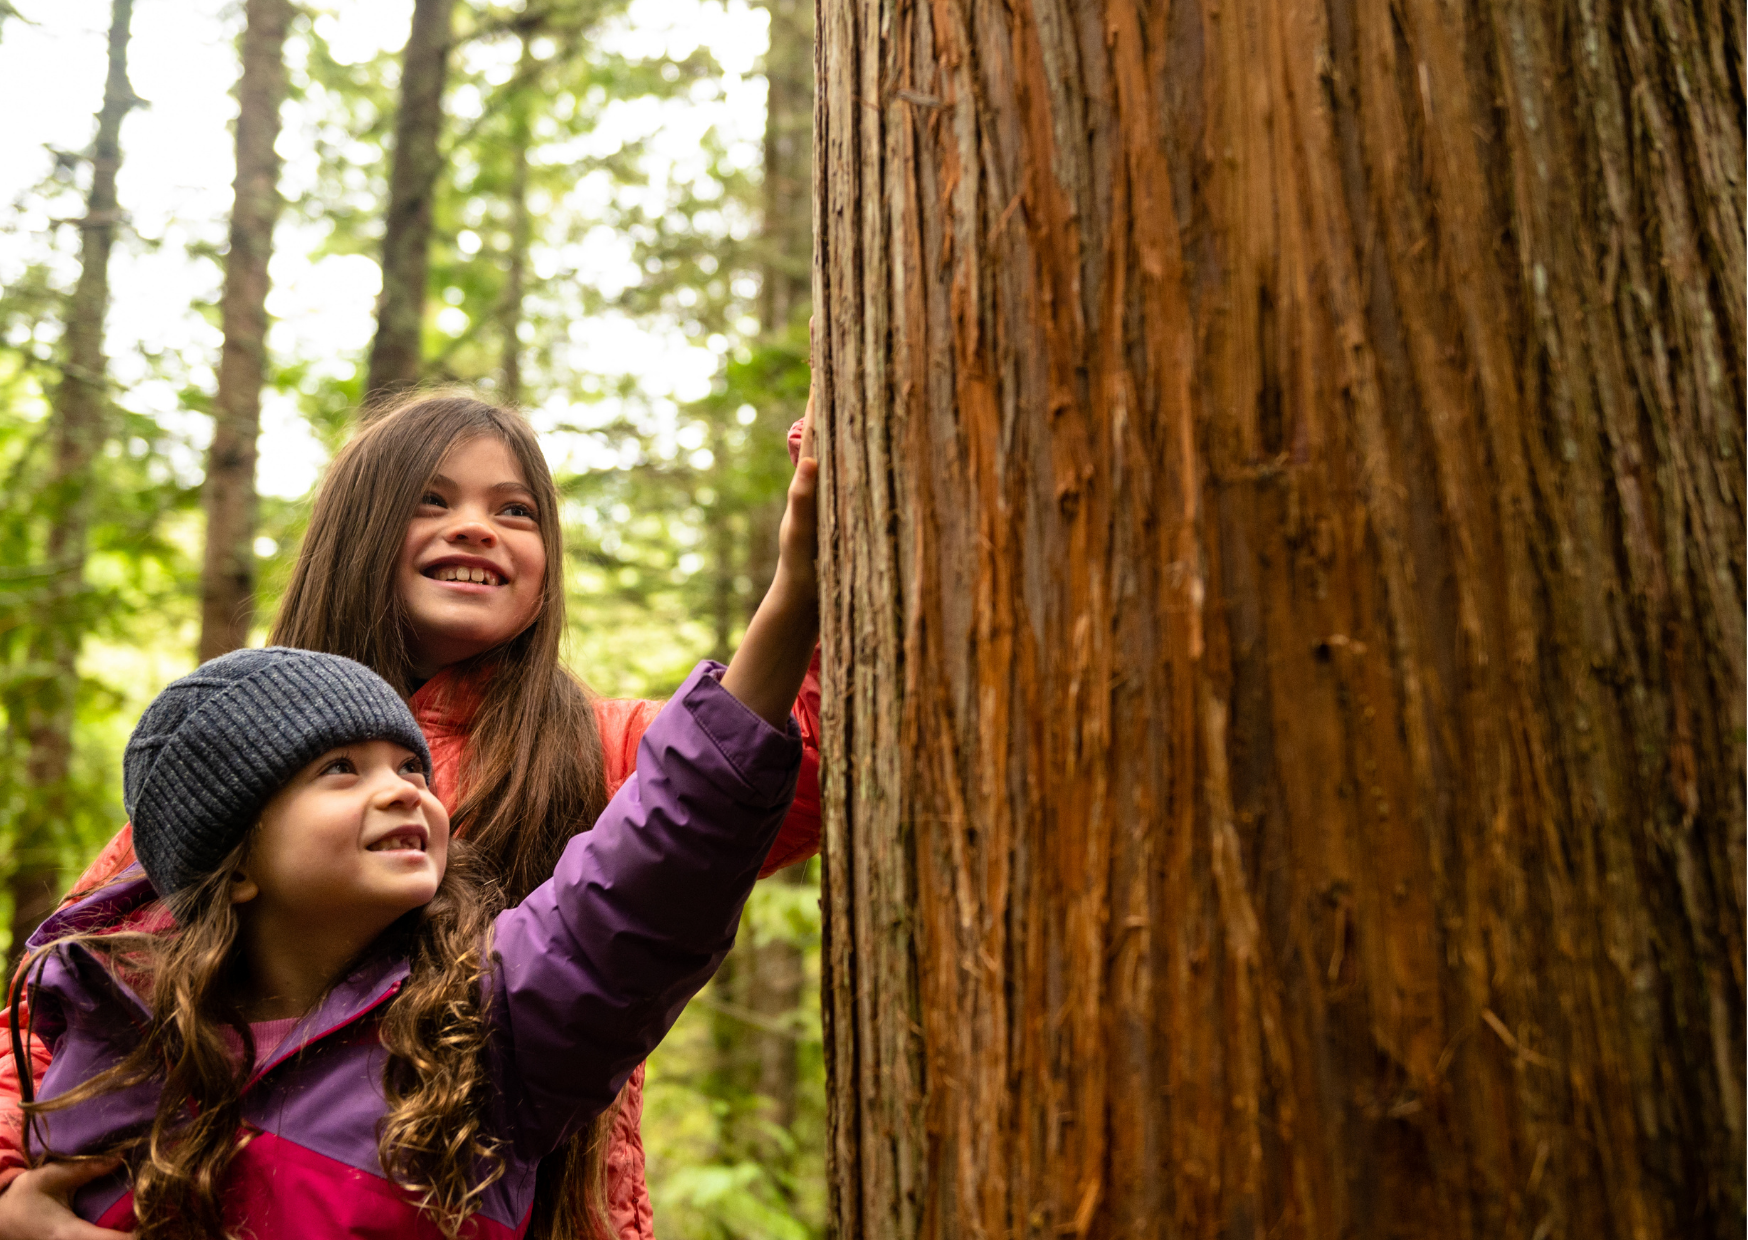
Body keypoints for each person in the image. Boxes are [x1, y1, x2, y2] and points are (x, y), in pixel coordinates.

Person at [0, 391, 823, 1239]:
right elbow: (65, 1006)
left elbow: (741, 785)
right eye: (432, 499)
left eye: (516, 511)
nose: (477, 527)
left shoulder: (602, 749)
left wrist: (821, 484)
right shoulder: (228, 762)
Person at [12, 639, 808, 1239]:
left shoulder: (490, 1030)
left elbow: (667, 842)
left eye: (410, 767)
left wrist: (796, 592)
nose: (402, 788)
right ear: (237, 858)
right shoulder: (109, 1042)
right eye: (340, 769)